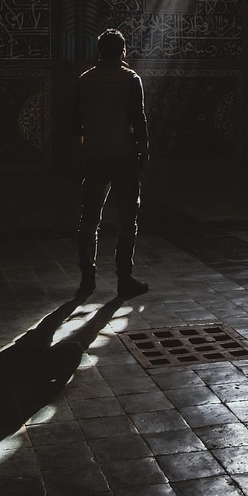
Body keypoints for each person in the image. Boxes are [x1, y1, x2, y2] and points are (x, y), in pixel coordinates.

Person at [71, 29, 149, 299]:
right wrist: (145, 150)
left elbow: (76, 122)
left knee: (90, 218)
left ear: (100, 52)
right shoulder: (131, 79)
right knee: (128, 219)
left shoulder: (84, 80)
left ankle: (87, 278)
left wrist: (84, 150)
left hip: (95, 155)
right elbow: (138, 118)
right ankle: (124, 279)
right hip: (124, 155)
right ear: (123, 51)